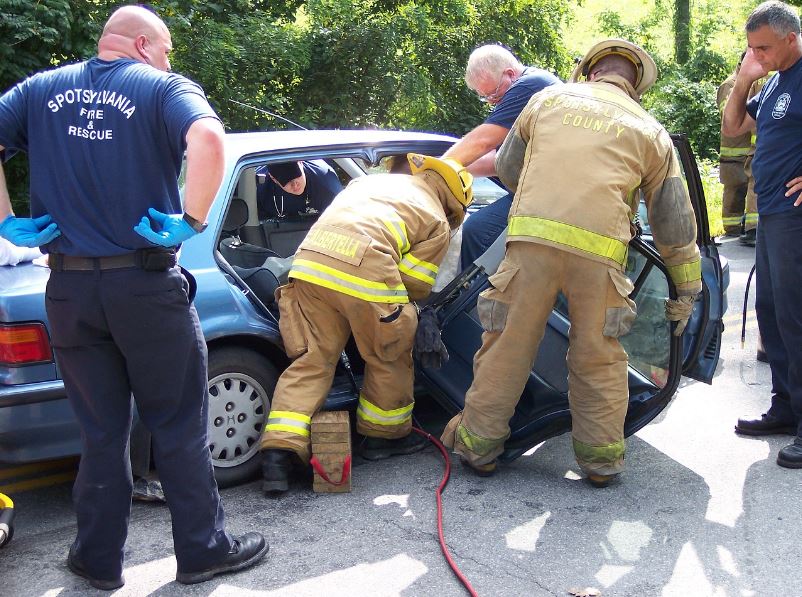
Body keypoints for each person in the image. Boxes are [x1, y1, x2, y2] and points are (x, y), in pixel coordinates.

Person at [0, 5, 268, 589]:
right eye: (168, 49)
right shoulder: (163, 87)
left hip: (68, 289)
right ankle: (202, 552)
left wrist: (5, 219)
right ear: (145, 45)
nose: (170, 60)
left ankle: (96, 561)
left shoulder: (38, 90)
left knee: (100, 432)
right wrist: (191, 219)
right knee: (177, 424)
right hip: (145, 285)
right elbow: (206, 136)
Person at [440, 39, 702, 488]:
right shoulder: (650, 130)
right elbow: (674, 222)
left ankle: (478, 447)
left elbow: (508, 167)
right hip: (600, 258)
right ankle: (601, 463)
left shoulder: (547, 99)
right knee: (598, 358)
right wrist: (686, 287)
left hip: (531, 247)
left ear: (590, 70)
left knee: (506, 346)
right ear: (636, 84)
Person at [259, 154, 473, 494]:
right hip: (366, 275)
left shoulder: (368, 182)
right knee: (389, 353)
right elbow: (413, 283)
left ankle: (277, 453)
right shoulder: (436, 219)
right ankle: (382, 438)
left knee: (312, 362)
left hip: (308, 269)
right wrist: (405, 317)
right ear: (453, 204)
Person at [723, 0, 802, 468]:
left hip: (796, 216)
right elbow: (734, 128)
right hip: (772, 213)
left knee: (797, 316)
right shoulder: (772, 82)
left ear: (791, 37)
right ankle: (786, 408)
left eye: (765, 48)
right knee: (772, 313)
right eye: (752, 48)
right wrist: (746, 78)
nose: (759, 54)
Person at [441, 44, 561, 271]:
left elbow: (482, 142)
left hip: (547, 196)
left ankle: (461, 304)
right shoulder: (535, 87)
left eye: (494, 94)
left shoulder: (531, 85)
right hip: (543, 192)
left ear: (510, 74)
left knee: (476, 232)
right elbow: (497, 161)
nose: (493, 103)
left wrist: (434, 169)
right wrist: (452, 167)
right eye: (485, 98)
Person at [717, 54, 760, 246]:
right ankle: (734, 229)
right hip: (734, 150)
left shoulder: (753, 83)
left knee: (744, 188)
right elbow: (730, 115)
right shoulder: (731, 85)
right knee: (734, 191)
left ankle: (743, 227)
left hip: (745, 149)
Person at [256, 159, 343, 220]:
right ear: (274, 179)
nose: (294, 185)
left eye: (296, 175)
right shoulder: (261, 187)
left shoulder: (327, 183)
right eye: (286, 181)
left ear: (301, 163)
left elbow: (343, 217)